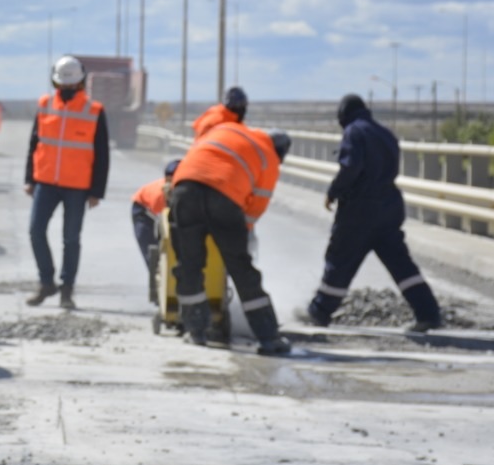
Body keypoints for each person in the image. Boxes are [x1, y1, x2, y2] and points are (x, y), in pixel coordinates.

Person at [299, 94, 443, 332]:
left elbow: (350, 167)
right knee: (401, 264)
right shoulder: (385, 133)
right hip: (389, 206)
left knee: (340, 259)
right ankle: (428, 314)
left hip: (360, 210)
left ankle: (319, 312)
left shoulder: (354, 132)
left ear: (343, 116)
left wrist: (334, 191)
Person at [168, 123, 292, 355]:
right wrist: (239, 235)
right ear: (280, 151)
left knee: (189, 264)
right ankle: (268, 337)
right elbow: (254, 210)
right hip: (223, 197)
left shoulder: (228, 129)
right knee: (241, 268)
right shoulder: (268, 158)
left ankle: (196, 331)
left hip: (184, 188)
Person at [24, 55, 110, 310]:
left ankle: (66, 290)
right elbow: (34, 144)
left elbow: (102, 154)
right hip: (46, 182)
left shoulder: (94, 110)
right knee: (35, 231)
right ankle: (46, 282)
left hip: (78, 185)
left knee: (71, 239)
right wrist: (29, 179)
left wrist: (97, 191)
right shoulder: (45, 104)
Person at [131, 159, 180, 300]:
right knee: (156, 252)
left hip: (164, 211)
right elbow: (167, 227)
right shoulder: (161, 197)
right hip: (145, 212)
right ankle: (160, 293)